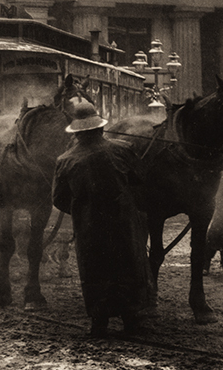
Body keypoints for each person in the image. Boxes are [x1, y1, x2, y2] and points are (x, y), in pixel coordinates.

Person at [51, 101, 152, 338]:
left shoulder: (65, 160)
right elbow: (140, 178)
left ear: (77, 132)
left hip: (89, 226)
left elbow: (58, 199)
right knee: (128, 265)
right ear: (100, 128)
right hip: (123, 221)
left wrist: (80, 210)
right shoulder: (123, 149)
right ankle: (131, 320)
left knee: (94, 269)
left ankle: (99, 322)